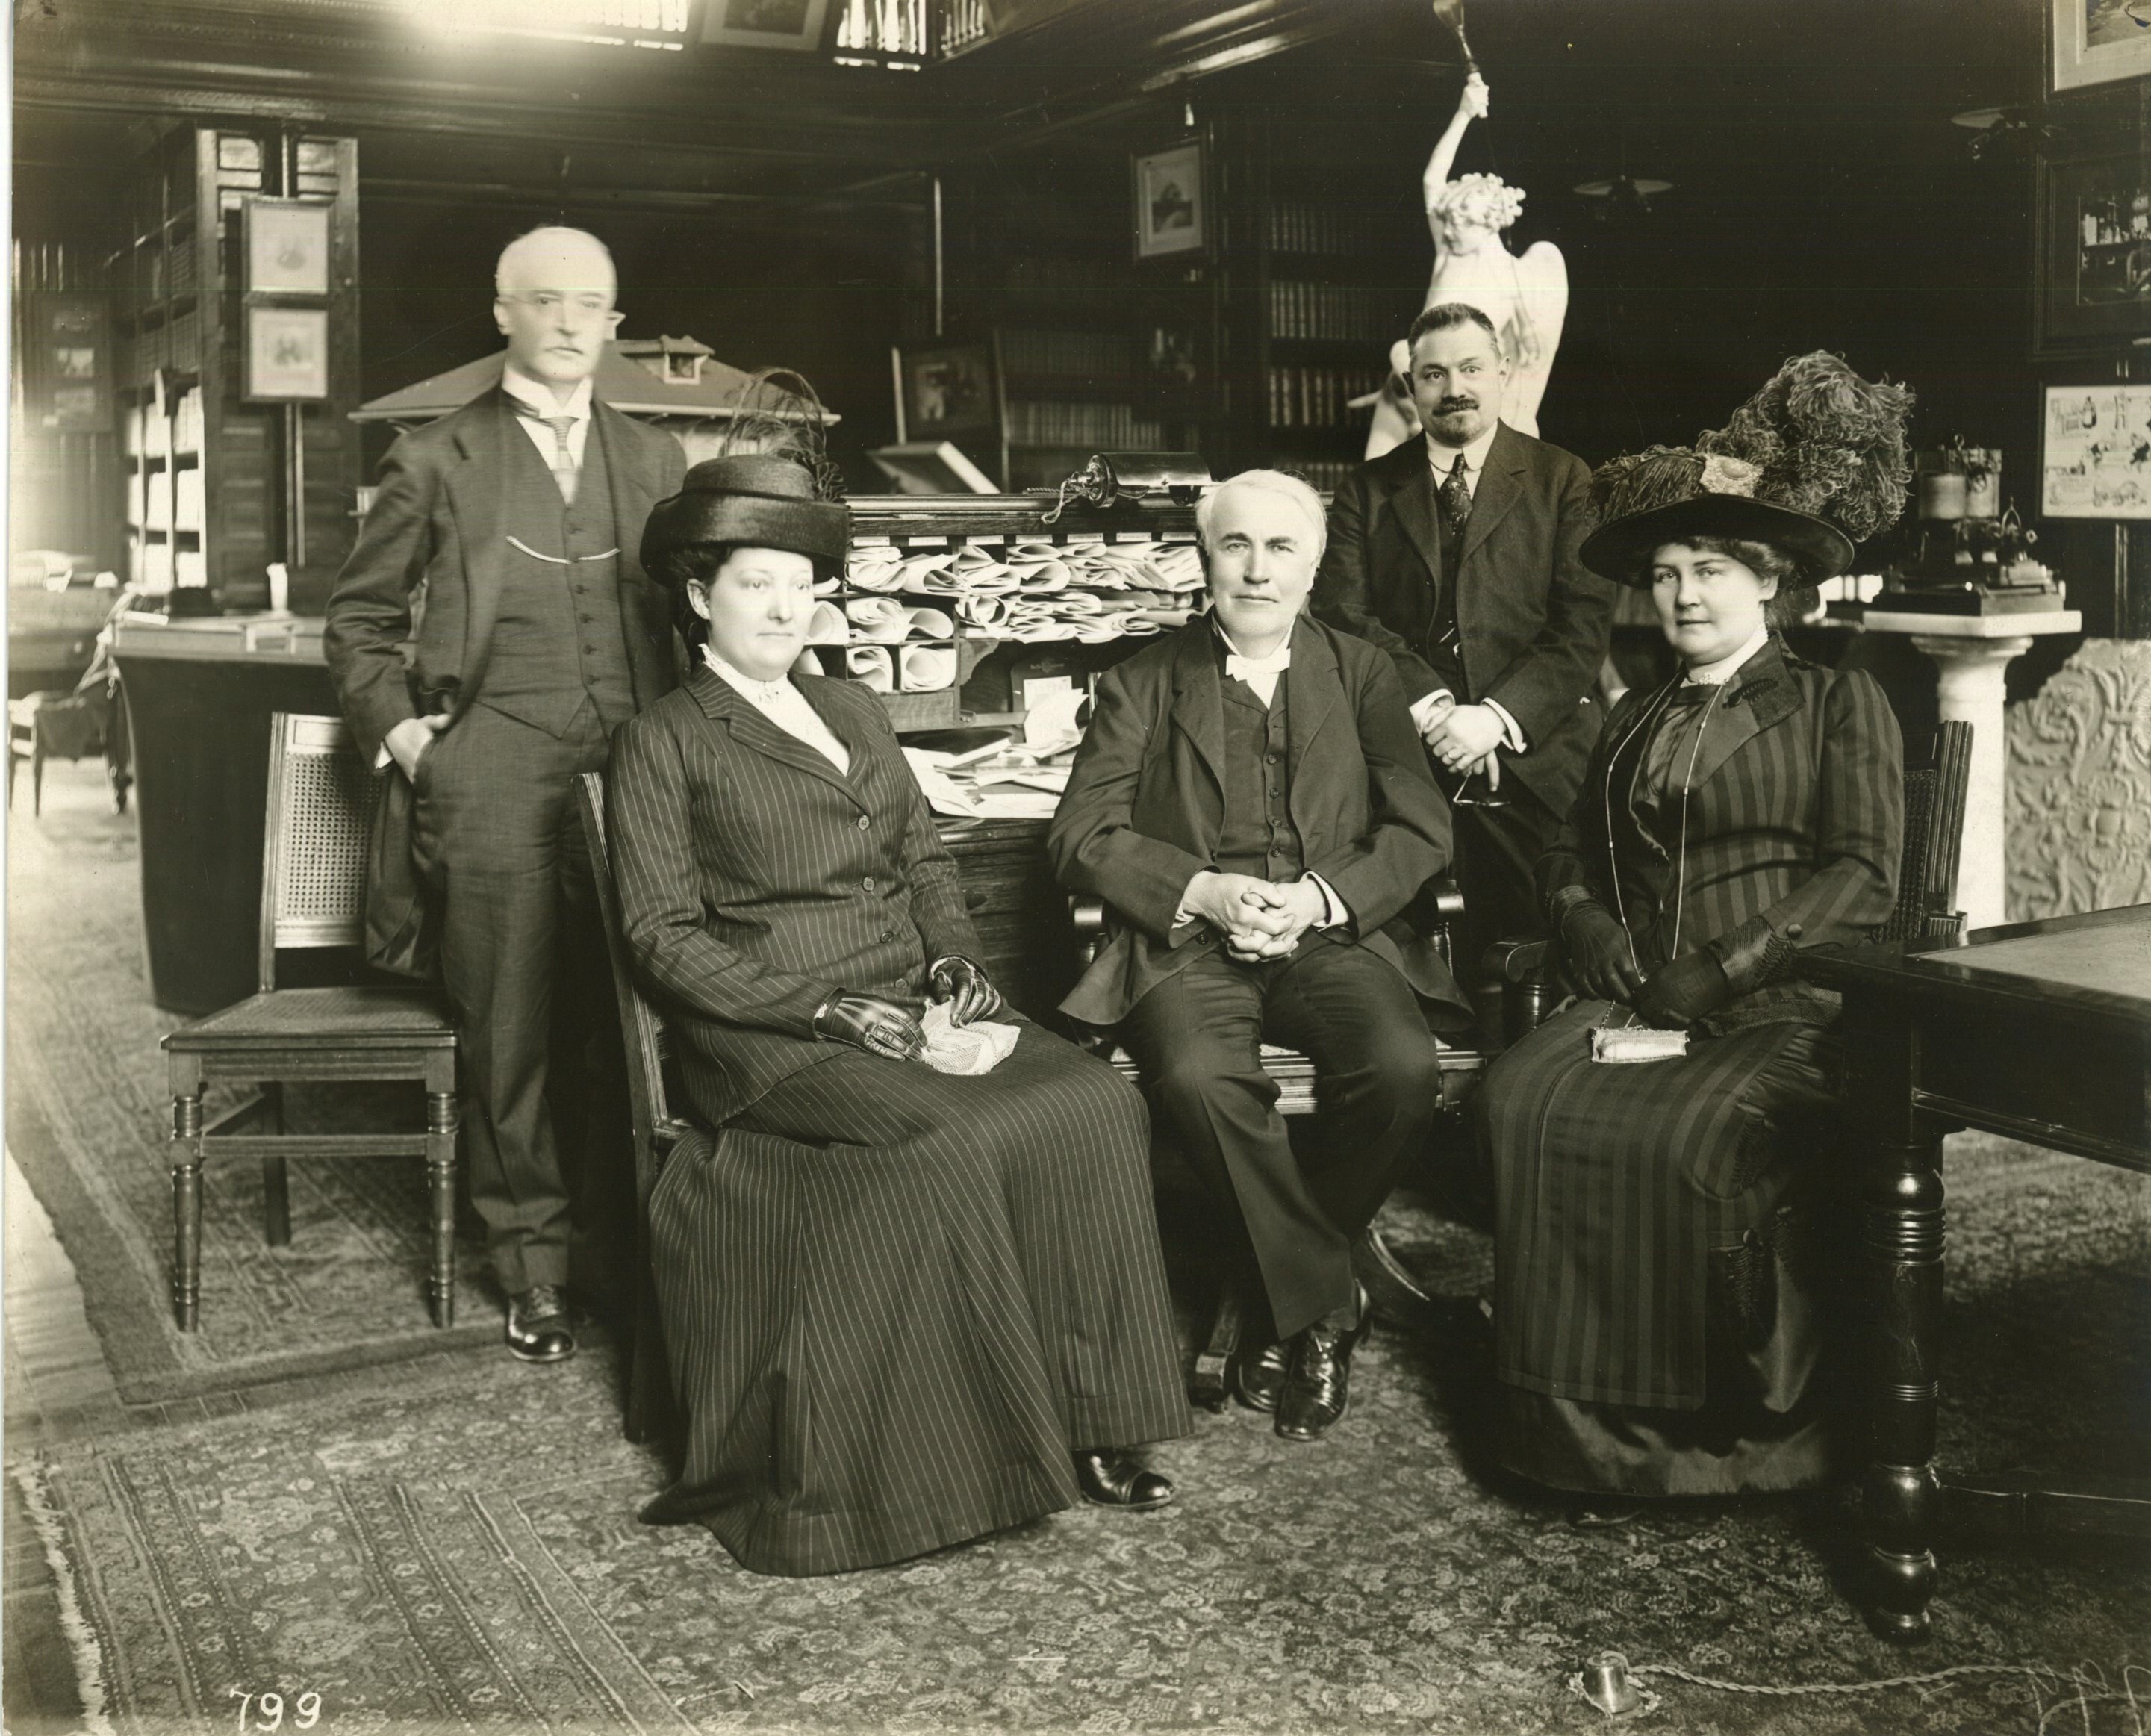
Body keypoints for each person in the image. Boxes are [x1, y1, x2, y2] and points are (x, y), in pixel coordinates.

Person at [610, 451, 1190, 1578]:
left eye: (800, 583)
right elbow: (659, 936)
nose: (786, 606)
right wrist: (827, 1011)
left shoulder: (853, 705)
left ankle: (1100, 1419)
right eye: (754, 583)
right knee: (955, 1138)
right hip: (772, 1037)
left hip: (902, 999)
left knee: (1094, 1104)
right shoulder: (665, 740)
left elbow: (924, 862)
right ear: (697, 598)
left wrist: (958, 968)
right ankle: (979, 1460)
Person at [1479, 352, 1913, 1496]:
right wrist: (1590, 935)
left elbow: (1863, 874)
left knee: (1682, 1142)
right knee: (1517, 1095)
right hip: (1633, 995)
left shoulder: (1831, 699)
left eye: (1710, 569)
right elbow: (1566, 854)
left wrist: (1720, 971)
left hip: (1786, 1004)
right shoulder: (1629, 717)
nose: (1682, 595)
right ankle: (1568, 1440)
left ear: (1766, 580)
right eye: (1666, 574)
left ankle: (1710, 1442)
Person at [1050, 470, 1472, 1444]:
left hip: (1326, 934)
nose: (1256, 568)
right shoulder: (1143, 680)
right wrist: (1198, 889)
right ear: (1204, 560)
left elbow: (1421, 830)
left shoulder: (1366, 675)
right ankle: (1322, 1306)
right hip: (1187, 943)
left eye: (1281, 548)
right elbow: (1079, 834)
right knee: (1197, 1079)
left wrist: (1322, 898)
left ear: (1314, 566)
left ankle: (1267, 1277)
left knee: (1402, 1069)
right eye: (1235, 546)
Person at [325, 225, 687, 1363]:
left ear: (614, 320)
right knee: (511, 1027)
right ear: (502, 313)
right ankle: (531, 1266)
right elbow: (359, 624)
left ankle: (630, 1252)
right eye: (545, 301)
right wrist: (414, 743)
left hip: (637, 770)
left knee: (632, 1024)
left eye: (592, 304)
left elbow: (688, 614)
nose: (571, 322)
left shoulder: (658, 458)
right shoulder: (434, 458)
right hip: (488, 775)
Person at [1313, 302, 1615, 987]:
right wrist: (1435, 708)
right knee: (1406, 948)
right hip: (1409, 753)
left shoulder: (1564, 478)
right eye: (1434, 373)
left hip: (1539, 757)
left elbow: (1583, 625)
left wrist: (1493, 718)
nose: (1455, 387)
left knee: (1555, 941)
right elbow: (1343, 614)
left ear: (1502, 372)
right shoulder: (1367, 489)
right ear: (1409, 387)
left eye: (1471, 367)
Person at [1363, 73, 1569, 456]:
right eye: (1450, 219)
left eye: (1462, 221)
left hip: (1464, 403)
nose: (1451, 228)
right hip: (1416, 385)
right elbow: (1431, 182)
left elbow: (1523, 359)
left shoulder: (1517, 277)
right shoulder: (1450, 253)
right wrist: (1463, 113)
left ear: (1491, 219)